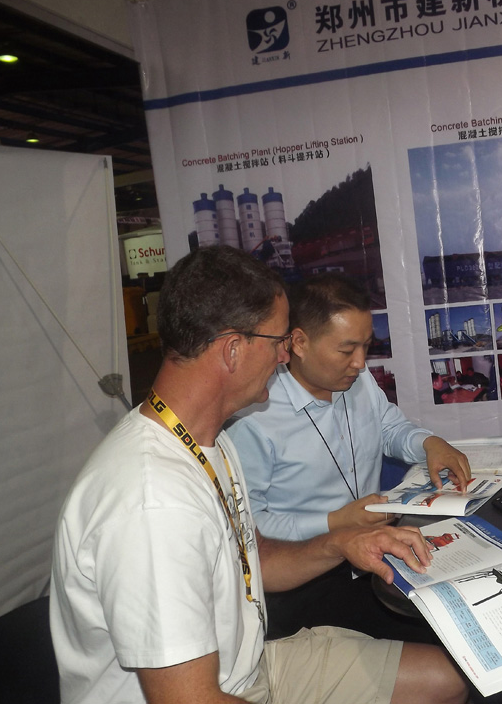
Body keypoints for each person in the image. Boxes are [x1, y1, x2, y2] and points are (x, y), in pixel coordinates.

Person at [50, 246, 468, 704]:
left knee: (449, 680)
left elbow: (257, 560)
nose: (285, 356)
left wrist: (344, 543)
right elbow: (188, 700)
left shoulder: (209, 441)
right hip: (212, 691)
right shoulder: (154, 501)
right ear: (233, 349)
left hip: (248, 667)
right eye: (278, 341)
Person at [227, 273, 471, 639]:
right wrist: (334, 522)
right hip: (306, 580)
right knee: (437, 637)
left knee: (460, 607)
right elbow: (252, 528)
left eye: (366, 347)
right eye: (346, 350)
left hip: (374, 552)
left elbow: (389, 427)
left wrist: (428, 443)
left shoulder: (357, 379)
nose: (359, 362)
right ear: (299, 342)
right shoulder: (255, 417)